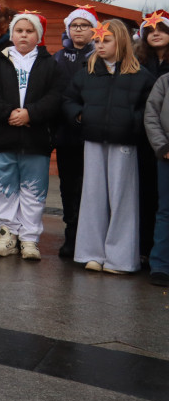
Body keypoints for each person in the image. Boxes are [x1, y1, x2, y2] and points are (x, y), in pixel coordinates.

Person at [64, 20, 154, 274]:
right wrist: (81, 116)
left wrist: (132, 124)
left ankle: (120, 259)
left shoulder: (140, 75)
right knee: (93, 197)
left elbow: (148, 109)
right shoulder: (87, 71)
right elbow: (69, 99)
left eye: (106, 41)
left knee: (122, 199)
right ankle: (91, 253)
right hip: (93, 141)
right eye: (97, 41)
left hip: (124, 144)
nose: (100, 46)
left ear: (121, 42)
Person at [0, 11, 64, 260]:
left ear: (38, 35)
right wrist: (9, 113)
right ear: (11, 34)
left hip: (36, 139)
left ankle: (29, 239)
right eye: (19, 30)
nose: (24, 35)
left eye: (29, 31)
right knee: (4, 189)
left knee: (33, 191)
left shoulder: (50, 64)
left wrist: (31, 114)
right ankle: (7, 236)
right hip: (4, 136)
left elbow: (56, 96)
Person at [52, 5, 98, 258]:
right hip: (66, 131)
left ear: (93, 30)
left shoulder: (99, 55)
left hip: (94, 129)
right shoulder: (59, 57)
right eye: (74, 25)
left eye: (84, 25)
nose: (78, 30)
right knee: (68, 185)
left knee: (90, 185)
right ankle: (71, 232)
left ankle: (89, 235)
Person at [136, 10, 169, 265]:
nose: (156, 33)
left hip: (165, 140)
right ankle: (145, 249)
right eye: (150, 30)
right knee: (146, 195)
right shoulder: (137, 62)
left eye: (162, 29)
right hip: (142, 138)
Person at [143, 65, 169, 287]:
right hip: (167, 156)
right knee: (165, 211)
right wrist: (162, 146)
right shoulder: (164, 81)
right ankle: (160, 264)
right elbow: (151, 114)